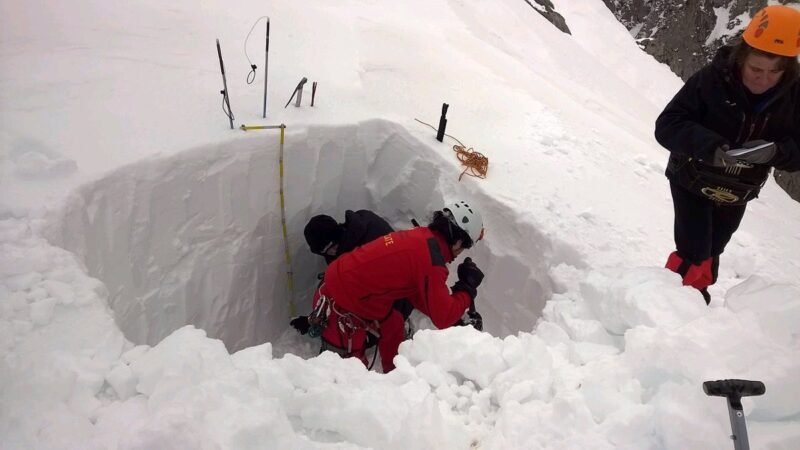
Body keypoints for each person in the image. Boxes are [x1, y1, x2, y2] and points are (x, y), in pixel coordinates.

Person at [654, 5, 800, 304]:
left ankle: (685, 298)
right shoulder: (712, 80)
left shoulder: (795, 95)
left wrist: (777, 152)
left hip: (739, 187)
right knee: (695, 246)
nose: (763, 79)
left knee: (715, 245)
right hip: (692, 176)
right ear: (741, 58)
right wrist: (712, 147)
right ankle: (681, 301)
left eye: (775, 72)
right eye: (756, 69)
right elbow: (667, 125)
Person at [307, 200, 486, 373]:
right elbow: (443, 317)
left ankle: (394, 378)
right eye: (464, 247)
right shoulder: (431, 261)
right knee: (351, 375)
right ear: (458, 242)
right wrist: (467, 288)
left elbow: (418, 294)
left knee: (393, 326)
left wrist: (455, 314)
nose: (459, 253)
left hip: (345, 288)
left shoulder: (422, 238)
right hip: (341, 306)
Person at [291, 210, 414, 334]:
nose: (332, 252)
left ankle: (401, 326)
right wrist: (314, 318)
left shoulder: (366, 245)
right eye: (325, 251)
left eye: (331, 246)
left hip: (404, 293)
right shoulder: (354, 230)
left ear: (337, 233)